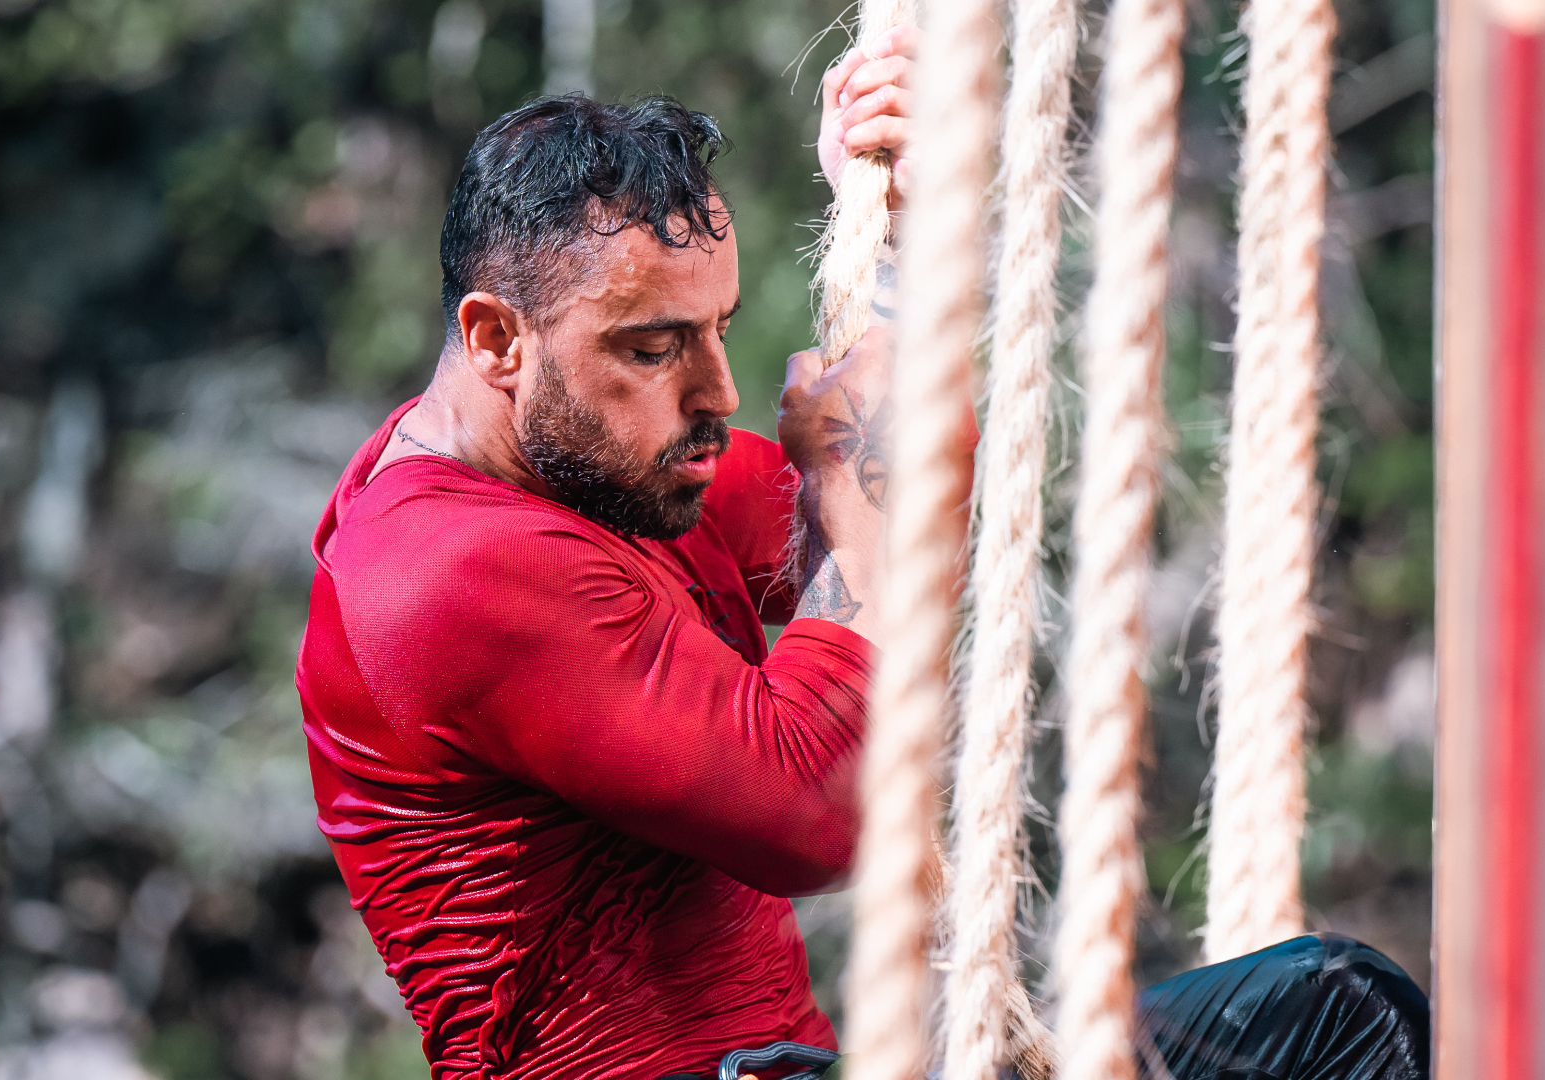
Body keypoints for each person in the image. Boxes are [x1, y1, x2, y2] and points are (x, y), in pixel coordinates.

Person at [296, 27, 1429, 1080]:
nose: (717, 392)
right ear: (497, 339)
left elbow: (894, 507)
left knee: (1339, 1009)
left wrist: (900, 250)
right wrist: (860, 502)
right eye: (652, 349)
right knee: (1339, 1019)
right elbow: (822, 805)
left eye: (718, 330)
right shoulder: (442, 568)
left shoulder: (605, 469)